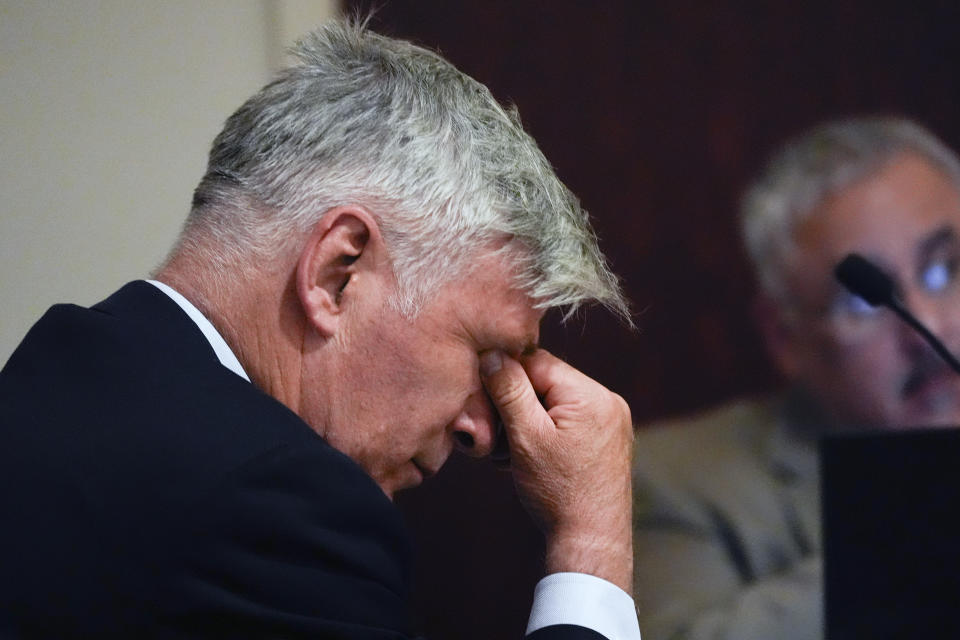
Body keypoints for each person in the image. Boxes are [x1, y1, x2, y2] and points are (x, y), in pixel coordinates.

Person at [0, 20, 640, 639]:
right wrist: (592, 539)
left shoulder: (55, 361)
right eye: (486, 355)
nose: (481, 428)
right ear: (339, 270)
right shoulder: (278, 507)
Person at [631, 116, 960, 640]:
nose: (927, 329)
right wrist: (928, 525)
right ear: (786, 339)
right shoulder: (675, 480)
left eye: (944, 271)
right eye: (864, 300)